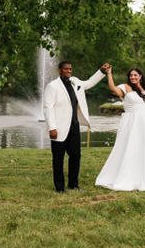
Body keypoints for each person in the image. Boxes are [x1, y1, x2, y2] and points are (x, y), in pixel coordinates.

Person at [41, 60, 107, 192]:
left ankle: (73, 184)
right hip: (58, 128)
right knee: (58, 159)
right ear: (59, 70)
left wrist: (101, 71)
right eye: (65, 69)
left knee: (76, 156)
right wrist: (51, 128)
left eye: (70, 69)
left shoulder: (75, 81)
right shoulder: (52, 86)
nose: (68, 71)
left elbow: (88, 83)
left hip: (74, 127)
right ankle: (59, 187)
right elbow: (47, 108)